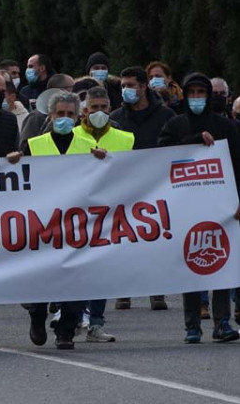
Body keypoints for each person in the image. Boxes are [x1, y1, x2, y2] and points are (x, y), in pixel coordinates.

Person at [16, 91, 106, 350]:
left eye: (70, 114)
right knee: (40, 275)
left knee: (75, 279)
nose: (64, 119)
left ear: (78, 116)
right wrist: (13, 161)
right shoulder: (34, 144)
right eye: (60, 114)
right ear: (51, 115)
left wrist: (104, 160)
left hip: (77, 223)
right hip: (42, 222)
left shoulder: (89, 145)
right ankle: (37, 314)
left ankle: (66, 330)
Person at [159, 73, 240, 344]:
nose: (196, 98)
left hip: (222, 207)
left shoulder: (226, 126)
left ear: (209, 95)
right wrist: (192, 141)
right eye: (191, 93)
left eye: (200, 93)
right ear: (184, 95)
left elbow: (238, 164)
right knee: (190, 264)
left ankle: (222, 323)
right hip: (185, 207)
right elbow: (159, 158)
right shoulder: (175, 124)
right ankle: (192, 325)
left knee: (222, 262)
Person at [71, 86, 135, 342]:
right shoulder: (70, 136)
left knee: (101, 271)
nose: (98, 112)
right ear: (84, 111)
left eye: (103, 107)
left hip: (110, 214)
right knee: (76, 271)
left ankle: (96, 323)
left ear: (110, 109)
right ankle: (74, 318)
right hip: (75, 214)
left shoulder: (126, 138)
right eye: (93, 108)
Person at [109, 67, 175, 311]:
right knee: (123, 238)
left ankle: (156, 290)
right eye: (123, 86)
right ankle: (124, 290)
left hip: (156, 186)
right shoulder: (116, 117)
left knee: (154, 237)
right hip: (123, 187)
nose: (126, 90)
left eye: (131, 85)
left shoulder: (165, 115)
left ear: (144, 86)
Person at [19, 74, 76, 142]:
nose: (74, 90)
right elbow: (25, 145)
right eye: (72, 87)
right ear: (62, 89)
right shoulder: (35, 118)